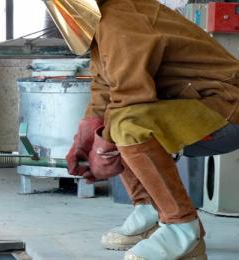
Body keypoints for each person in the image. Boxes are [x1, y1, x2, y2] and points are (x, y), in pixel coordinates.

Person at [45, 0, 239, 259]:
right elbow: (105, 85)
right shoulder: (106, 18)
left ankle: (182, 230)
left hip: (226, 110)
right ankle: (150, 211)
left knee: (127, 124)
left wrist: (102, 149)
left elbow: (130, 97)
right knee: (116, 124)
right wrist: (86, 136)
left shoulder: (120, 18)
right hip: (198, 105)